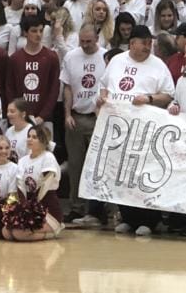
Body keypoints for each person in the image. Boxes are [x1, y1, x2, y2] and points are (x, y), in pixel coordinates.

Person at [97, 24, 174, 236]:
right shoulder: (116, 61)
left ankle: (149, 220)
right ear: (132, 43)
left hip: (144, 129)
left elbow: (168, 95)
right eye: (144, 43)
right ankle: (128, 218)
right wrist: (103, 96)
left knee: (143, 175)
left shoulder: (158, 65)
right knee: (122, 173)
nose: (148, 47)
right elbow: (104, 85)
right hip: (118, 129)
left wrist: (149, 98)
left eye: (150, 43)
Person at [60, 25, 107, 223]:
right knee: (76, 164)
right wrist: (67, 113)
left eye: (89, 41)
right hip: (77, 116)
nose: (85, 45)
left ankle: (101, 209)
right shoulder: (71, 56)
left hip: (99, 117)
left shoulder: (106, 58)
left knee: (99, 165)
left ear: (97, 38)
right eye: (82, 41)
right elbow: (68, 88)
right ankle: (77, 207)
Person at [3, 125, 64, 241]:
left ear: (43, 140)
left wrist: (32, 208)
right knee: (6, 232)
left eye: (34, 137)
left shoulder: (48, 157)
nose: (30, 139)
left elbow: (44, 186)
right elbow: (20, 186)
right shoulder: (23, 160)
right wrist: (23, 208)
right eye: (29, 136)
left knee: (20, 234)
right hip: (29, 206)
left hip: (47, 209)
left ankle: (54, 231)